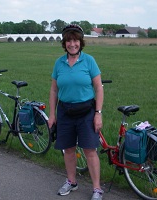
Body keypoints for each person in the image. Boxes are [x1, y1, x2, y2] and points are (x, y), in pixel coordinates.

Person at [48, 24, 104, 200]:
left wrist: (98, 113)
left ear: (81, 42)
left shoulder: (89, 61)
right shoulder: (59, 63)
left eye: (76, 40)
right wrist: (52, 114)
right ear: (64, 43)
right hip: (65, 112)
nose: (73, 44)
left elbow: (99, 88)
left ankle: (96, 189)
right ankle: (71, 181)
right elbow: (54, 91)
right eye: (69, 41)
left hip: (86, 111)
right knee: (69, 149)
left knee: (90, 150)